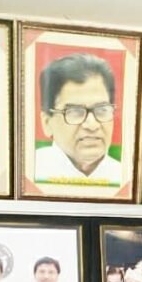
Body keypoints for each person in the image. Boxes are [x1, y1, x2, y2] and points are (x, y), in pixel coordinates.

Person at [35, 53, 122, 185]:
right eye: (75, 112)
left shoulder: (125, 178)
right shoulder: (31, 172)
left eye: (102, 110)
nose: (92, 125)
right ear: (47, 123)